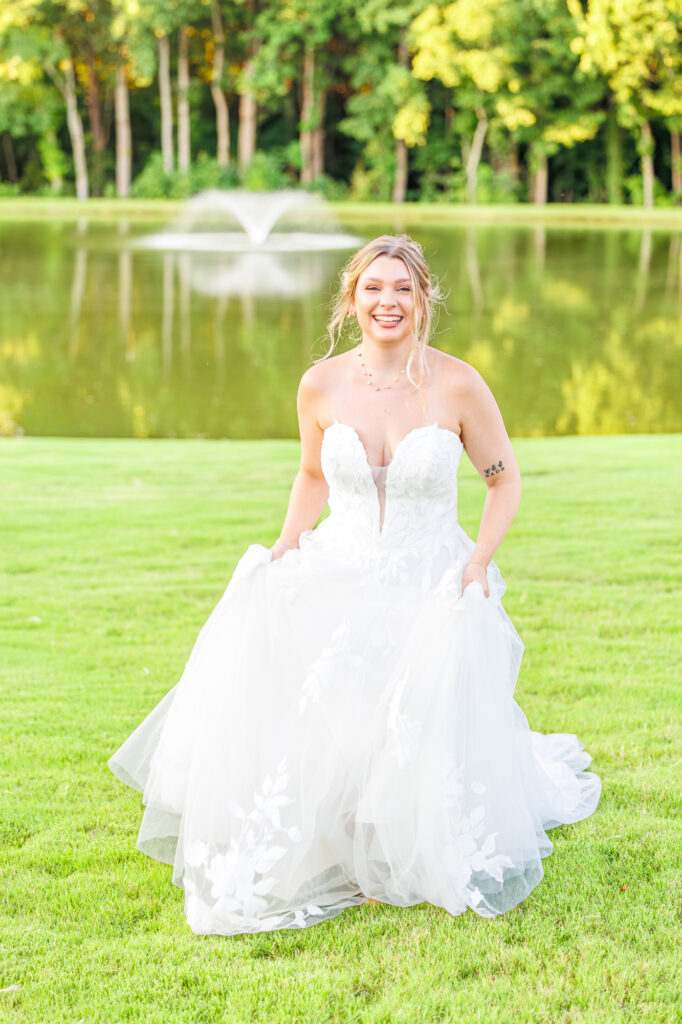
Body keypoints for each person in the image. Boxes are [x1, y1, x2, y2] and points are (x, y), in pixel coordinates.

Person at [109, 234, 601, 936]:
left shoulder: (459, 383)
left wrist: (478, 561)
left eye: (402, 287)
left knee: (406, 713)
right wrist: (285, 544)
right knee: (321, 700)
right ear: (352, 299)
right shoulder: (321, 384)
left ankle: (402, 835)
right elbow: (313, 475)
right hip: (342, 565)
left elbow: (503, 480)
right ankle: (338, 835)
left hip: (429, 574)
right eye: (373, 288)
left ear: (424, 297)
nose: (388, 301)